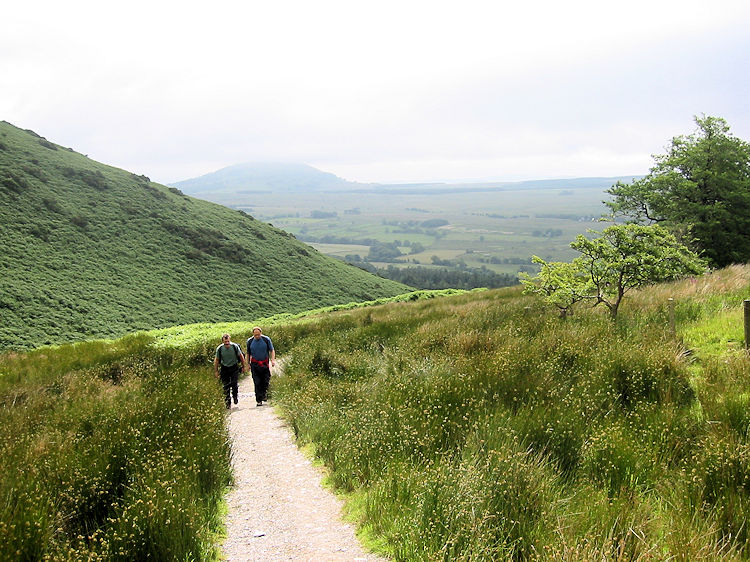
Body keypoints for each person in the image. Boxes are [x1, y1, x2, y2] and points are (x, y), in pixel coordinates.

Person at [214, 333, 247, 409]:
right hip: (224, 368)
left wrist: (243, 366)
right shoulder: (220, 349)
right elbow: (217, 360)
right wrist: (216, 371)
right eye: (225, 342)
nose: (227, 344)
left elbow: (241, 357)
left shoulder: (235, 347)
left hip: (234, 367)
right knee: (225, 386)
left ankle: (235, 396)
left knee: (234, 383)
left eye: (228, 341)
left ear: (230, 340)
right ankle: (228, 402)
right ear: (223, 341)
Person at [246, 326, 276, 406]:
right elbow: (248, 353)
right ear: (253, 334)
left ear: (261, 333)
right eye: (255, 335)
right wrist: (247, 364)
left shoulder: (266, 340)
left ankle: (264, 394)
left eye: (258, 335)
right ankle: (258, 400)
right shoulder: (249, 341)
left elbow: (272, 350)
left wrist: (273, 360)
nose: (257, 336)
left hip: (264, 363)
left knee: (266, 381)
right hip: (254, 365)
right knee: (257, 382)